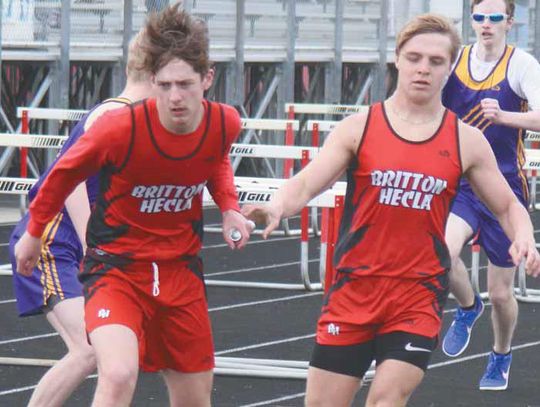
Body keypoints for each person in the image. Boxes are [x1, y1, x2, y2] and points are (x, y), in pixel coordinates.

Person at [242, 13, 540, 407]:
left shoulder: (465, 141)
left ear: (449, 68)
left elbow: (507, 205)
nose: (423, 69)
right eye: (414, 58)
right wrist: (275, 206)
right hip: (354, 291)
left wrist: (524, 237)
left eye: (436, 62)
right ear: (397, 59)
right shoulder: (358, 127)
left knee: (385, 400)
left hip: (416, 296)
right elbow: (307, 182)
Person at [14, 4, 253, 406]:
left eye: (184, 85)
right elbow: (61, 175)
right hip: (116, 267)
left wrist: (229, 206)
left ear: (207, 79)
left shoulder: (225, 122)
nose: (174, 98)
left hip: (179, 271)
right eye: (164, 86)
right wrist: (34, 233)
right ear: (150, 79)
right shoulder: (117, 123)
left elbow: (215, 158)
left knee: (195, 396)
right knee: (116, 369)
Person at [8, 28, 153, 407]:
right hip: (53, 241)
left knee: (107, 349)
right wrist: (94, 244)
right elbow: (71, 182)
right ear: (155, 75)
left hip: (73, 243)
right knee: (88, 347)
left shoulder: (137, 119)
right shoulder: (113, 113)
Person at [440, 0, 540, 391]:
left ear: (509, 23)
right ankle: (467, 307)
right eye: (479, 17)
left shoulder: (522, 65)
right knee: (440, 254)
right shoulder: (455, 60)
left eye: (494, 18)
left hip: (505, 185)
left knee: (501, 293)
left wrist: (504, 116)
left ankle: (500, 354)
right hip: (462, 182)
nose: (485, 24)